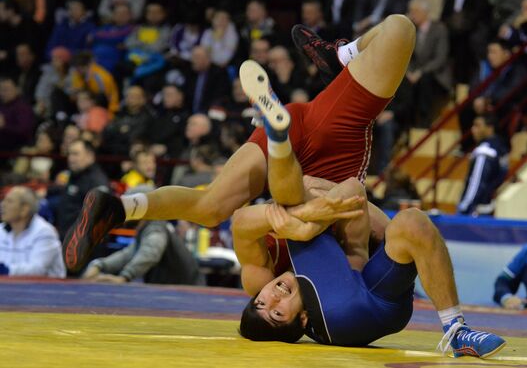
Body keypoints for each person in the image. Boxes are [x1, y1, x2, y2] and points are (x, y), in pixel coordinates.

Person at [63, 15, 416, 271]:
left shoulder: (357, 241)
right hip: (328, 140)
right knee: (260, 205)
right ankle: (336, 63)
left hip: (320, 137)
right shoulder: (351, 250)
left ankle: (120, 207)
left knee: (211, 205)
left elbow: (393, 234)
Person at [232, 177, 505, 357]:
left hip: (371, 295)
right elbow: (243, 221)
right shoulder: (283, 269)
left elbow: (355, 193)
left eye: (261, 302)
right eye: (277, 313)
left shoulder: (275, 269)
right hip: (342, 316)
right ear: (302, 320)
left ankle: (456, 330)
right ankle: (280, 141)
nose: (274, 297)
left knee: (412, 222)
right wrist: (302, 219)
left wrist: (305, 213)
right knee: (300, 195)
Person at [81, 185, 200, 285]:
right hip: (180, 289)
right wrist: (100, 265)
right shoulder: (148, 227)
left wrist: (124, 277)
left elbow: (150, 254)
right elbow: (129, 253)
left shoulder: (156, 228)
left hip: (186, 291)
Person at [0, 187, 66, 278]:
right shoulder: (1, 230)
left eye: (9, 201)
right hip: (10, 288)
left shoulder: (44, 232)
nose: (3, 205)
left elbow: (37, 270)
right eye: (4, 200)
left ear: (24, 209)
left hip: (46, 290)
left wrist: (6, 270)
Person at [52, 139, 110, 240]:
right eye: (69, 154)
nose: (70, 159)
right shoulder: (73, 176)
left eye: (75, 154)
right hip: (66, 236)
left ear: (89, 156)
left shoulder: (97, 181)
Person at [456, 115, 508, 215]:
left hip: (476, 211)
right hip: (490, 208)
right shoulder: (500, 148)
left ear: (490, 128)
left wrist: (464, 209)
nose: (473, 129)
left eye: (478, 126)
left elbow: (476, 184)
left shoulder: (484, 152)